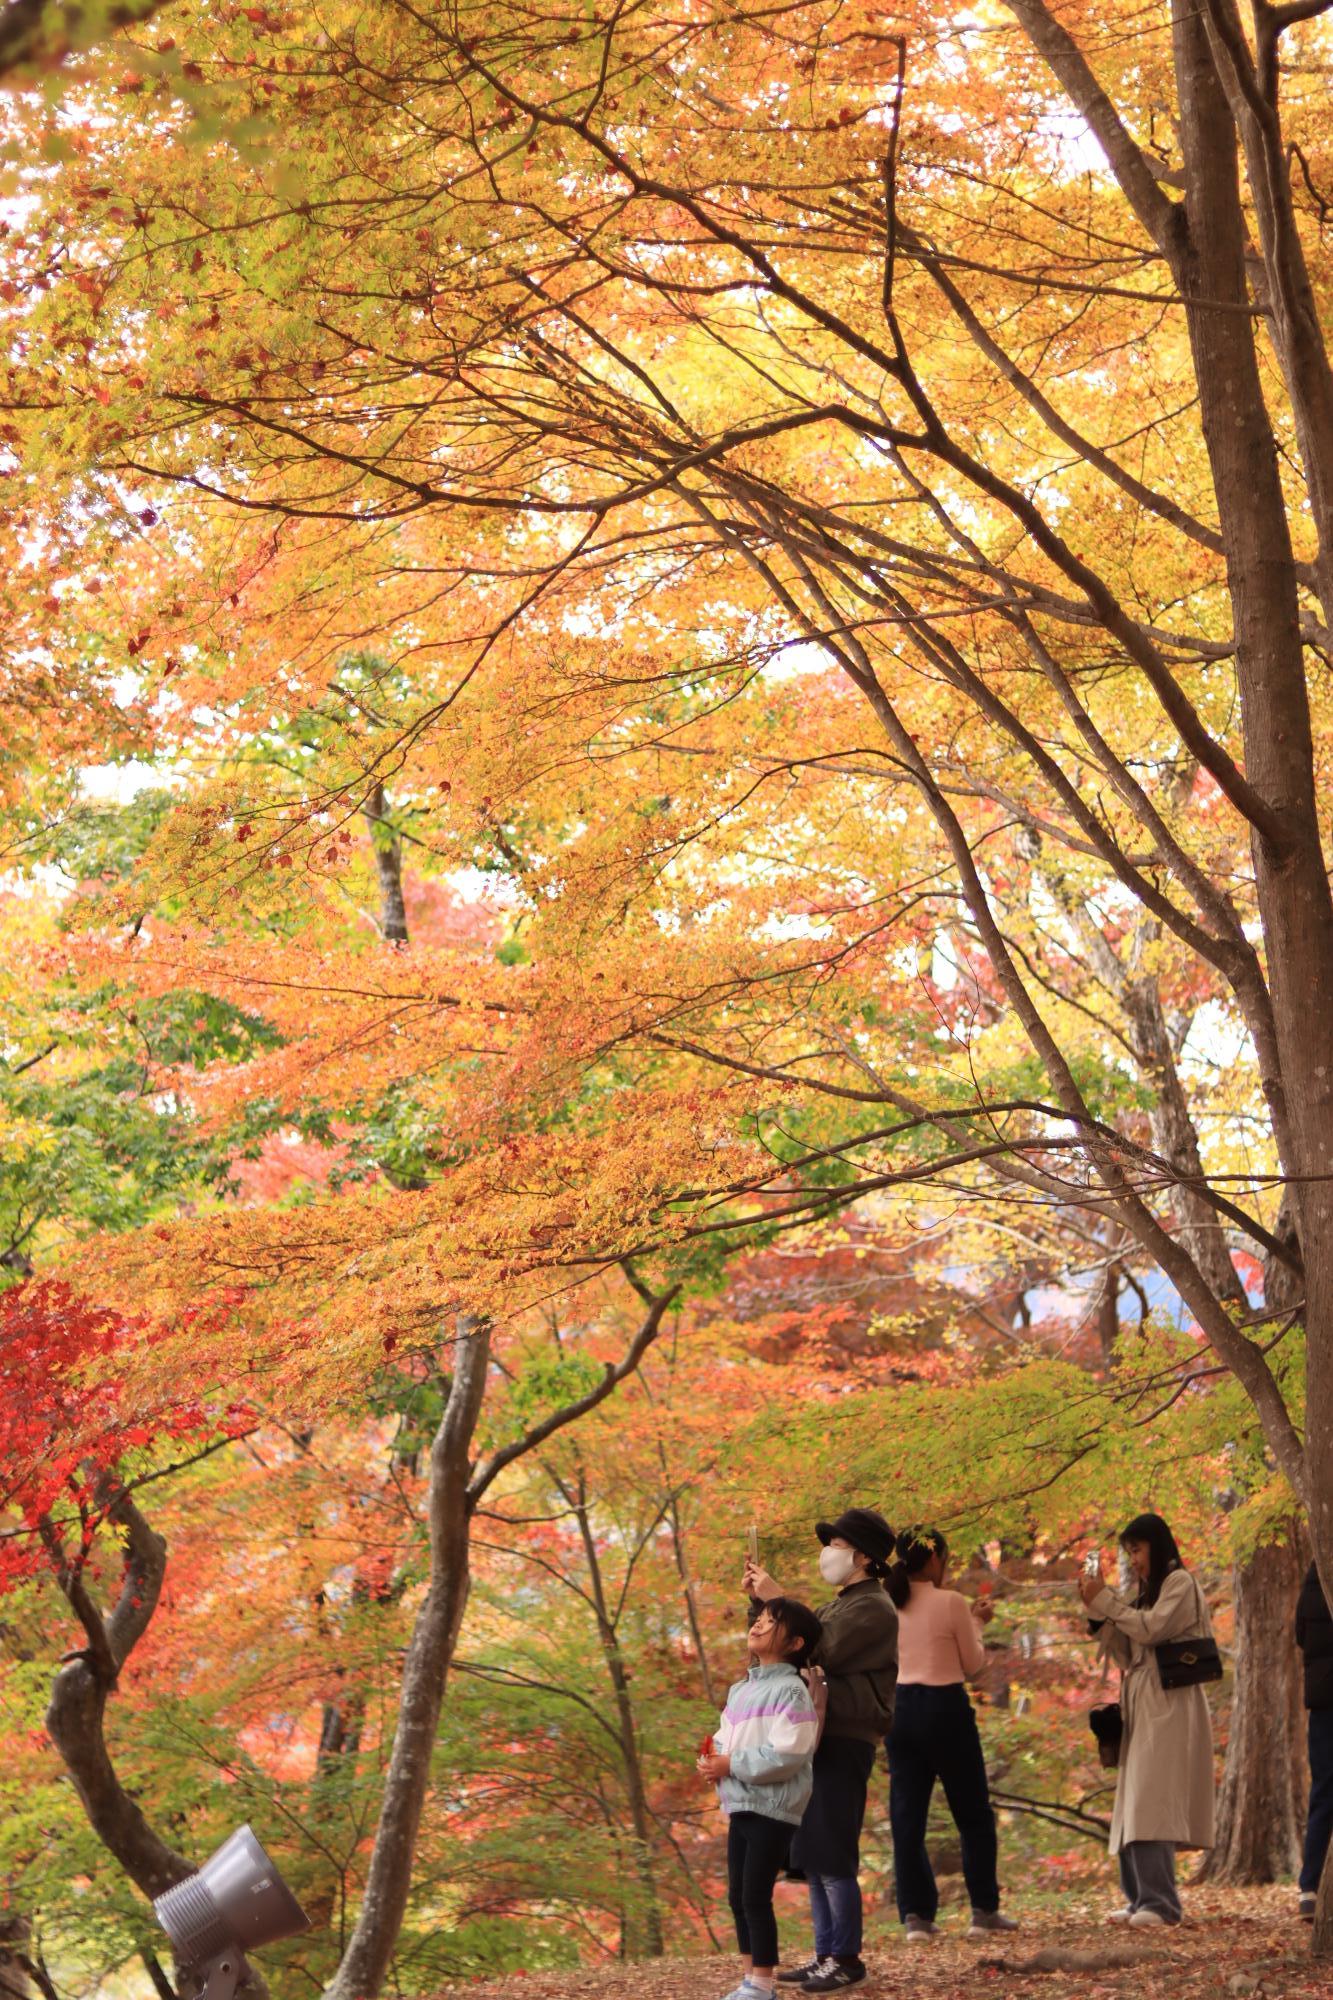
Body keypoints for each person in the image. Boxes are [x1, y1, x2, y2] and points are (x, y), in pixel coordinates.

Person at [745, 1507, 898, 1992]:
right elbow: (793, 1647)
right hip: (819, 1734)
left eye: (837, 1544)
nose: (828, 1553)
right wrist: (762, 1608)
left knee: (833, 1853)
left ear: (864, 1557)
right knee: (813, 1855)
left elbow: (820, 1648)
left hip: (845, 1736)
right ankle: (825, 1953)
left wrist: (780, 1600)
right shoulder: (841, 1604)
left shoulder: (873, 1607)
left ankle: (846, 1958)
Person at [1078, 1511, 1215, 1929]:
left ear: (1157, 1545)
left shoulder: (1180, 1584)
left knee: (1150, 1801)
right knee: (1132, 1801)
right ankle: (1140, 1899)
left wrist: (1106, 1601)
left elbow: (1153, 1630)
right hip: (1142, 1701)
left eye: (1137, 1549)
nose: (1134, 1560)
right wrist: (1099, 1613)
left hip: (1170, 1702)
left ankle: (1162, 1904)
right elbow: (1127, 1653)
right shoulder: (1144, 1595)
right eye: (1129, 1552)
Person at [884, 1525, 1016, 1943]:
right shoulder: (951, 1602)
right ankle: (983, 1911)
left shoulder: (888, 1603)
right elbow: (973, 1665)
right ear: (934, 1558)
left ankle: (916, 1916)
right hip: (945, 1707)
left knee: (907, 1816)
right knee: (973, 1812)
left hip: (901, 1709)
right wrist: (976, 1622)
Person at [699, 1598, 826, 2000]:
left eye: (771, 1622)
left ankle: (764, 1984)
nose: (758, 1625)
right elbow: (724, 1738)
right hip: (741, 1802)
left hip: (774, 1806)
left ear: (795, 1643)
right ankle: (749, 1980)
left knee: (755, 1895)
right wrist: (713, 1761)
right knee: (738, 1896)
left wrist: (731, 1764)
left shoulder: (792, 1690)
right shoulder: (741, 1690)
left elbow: (790, 1754)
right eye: (759, 1619)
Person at [1296, 1560, 1333, 1920]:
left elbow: (1300, 1632)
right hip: (1323, 1698)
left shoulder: (1315, 1571)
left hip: (1322, 1698)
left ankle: (1309, 1887)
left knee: (1323, 1791)